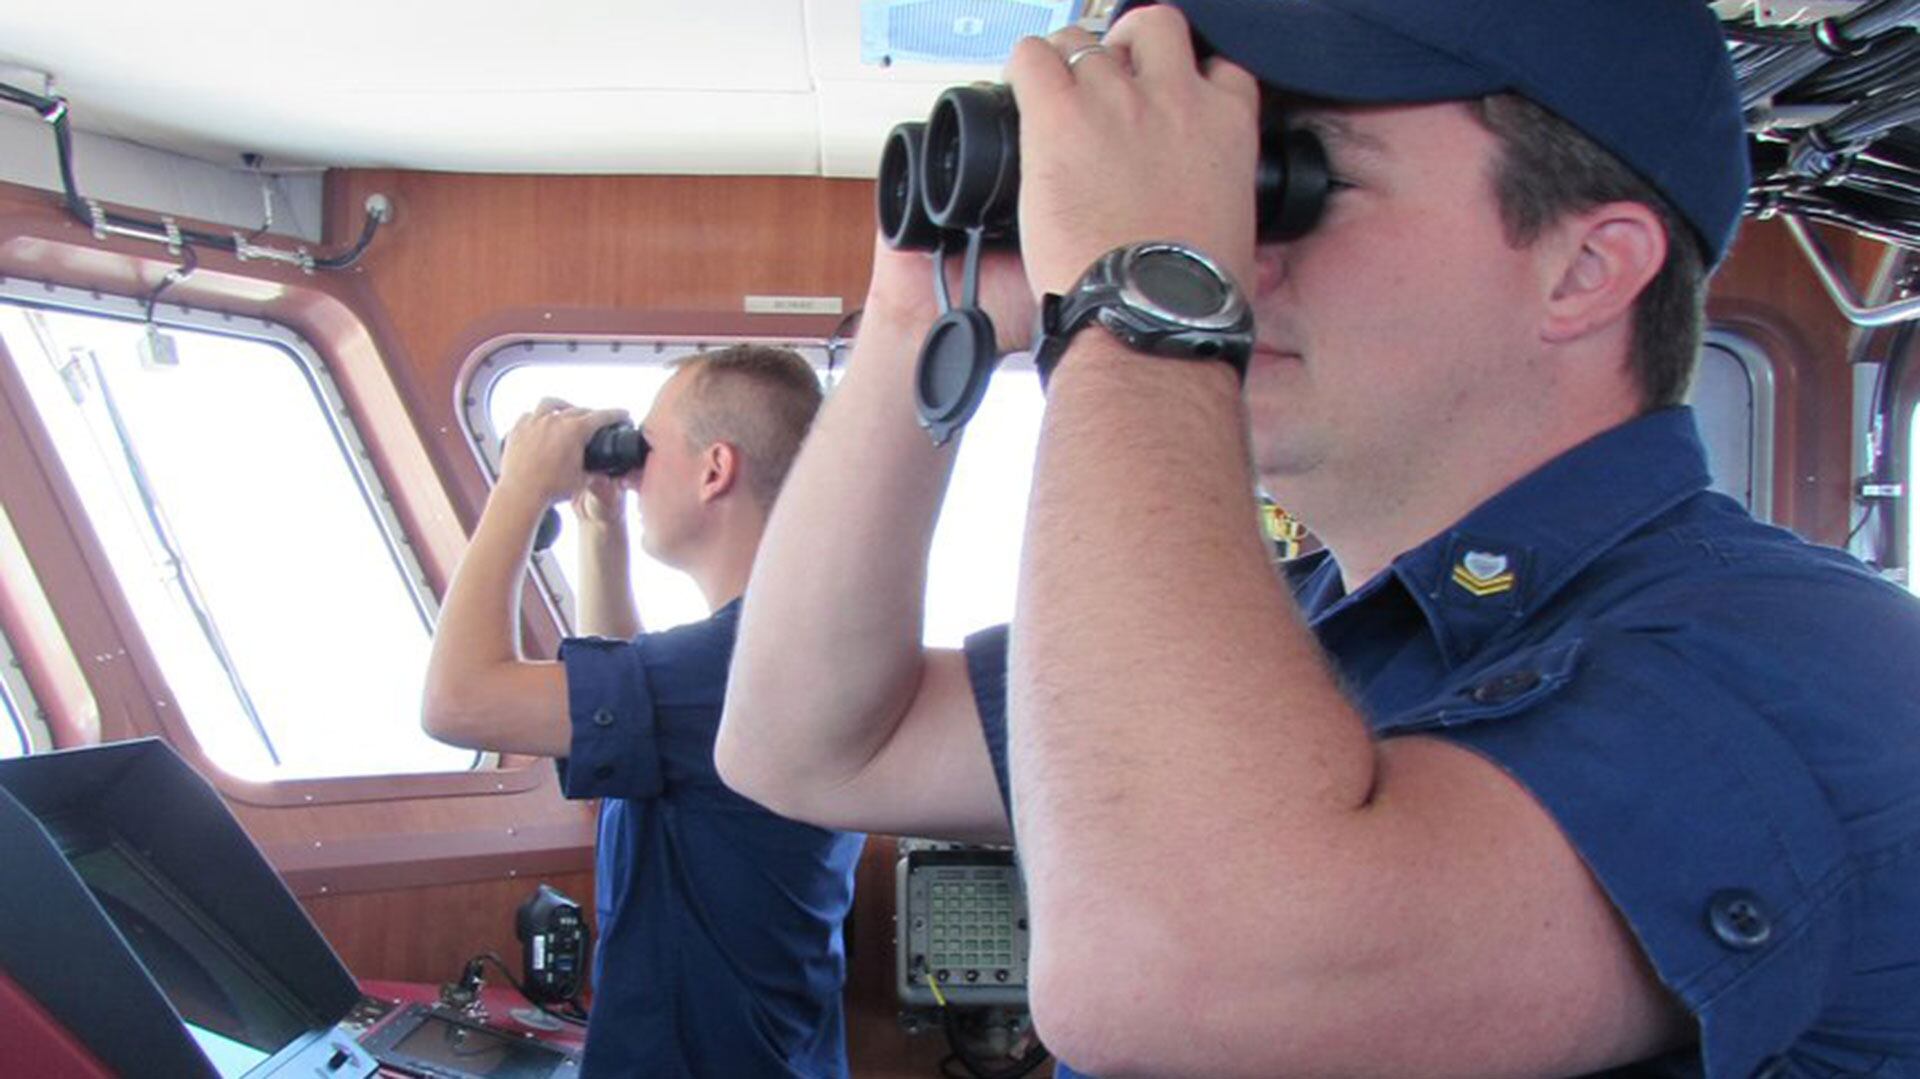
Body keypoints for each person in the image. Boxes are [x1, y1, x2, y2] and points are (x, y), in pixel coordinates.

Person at [716, 1, 1920, 1076]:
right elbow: (813, 743)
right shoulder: (1292, 625)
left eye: (1282, 174)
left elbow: (1180, 970)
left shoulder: (1808, 667)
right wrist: (920, 300)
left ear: (1584, 269)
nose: (1227, 249)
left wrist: (1142, 288)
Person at [422, 345, 865, 1078]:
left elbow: (456, 700)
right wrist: (602, 525)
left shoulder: (727, 669)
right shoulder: (774, 646)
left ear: (715, 469)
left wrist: (521, 490)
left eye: (648, 447)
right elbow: (629, 741)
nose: (633, 470)